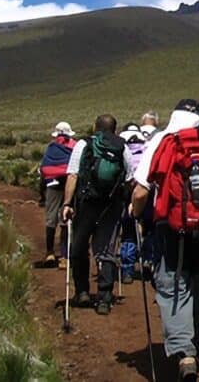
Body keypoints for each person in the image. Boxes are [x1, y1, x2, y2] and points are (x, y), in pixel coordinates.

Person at [131, 99, 199, 380]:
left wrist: (136, 214)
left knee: (173, 286)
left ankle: (184, 352)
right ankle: (197, 345)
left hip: (170, 228)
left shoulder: (162, 142)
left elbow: (141, 192)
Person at [61, 114, 136, 315]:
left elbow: (73, 174)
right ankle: (104, 298)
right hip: (111, 206)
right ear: (115, 128)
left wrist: (67, 203)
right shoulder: (122, 147)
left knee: (79, 246)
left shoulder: (83, 144)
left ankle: (83, 291)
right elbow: (130, 178)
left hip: (86, 204)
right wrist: (128, 203)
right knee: (106, 251)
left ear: (95, 127)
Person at [39, 121, 76, 268]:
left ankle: (49, 253)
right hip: (68, 186)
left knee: (50, 220)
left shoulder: (52, 148)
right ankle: (65, 256)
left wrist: (42, 193)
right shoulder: (73, 147)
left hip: (52, 187)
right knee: (65, 220)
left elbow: (44, 169)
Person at [118, 123, 148, 284]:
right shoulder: (147, 148)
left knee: (128, 233)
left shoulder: (121, 148)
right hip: (147, 194)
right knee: (150, 230)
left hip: (127, 195)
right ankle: (150, 263)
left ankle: (127, 270)